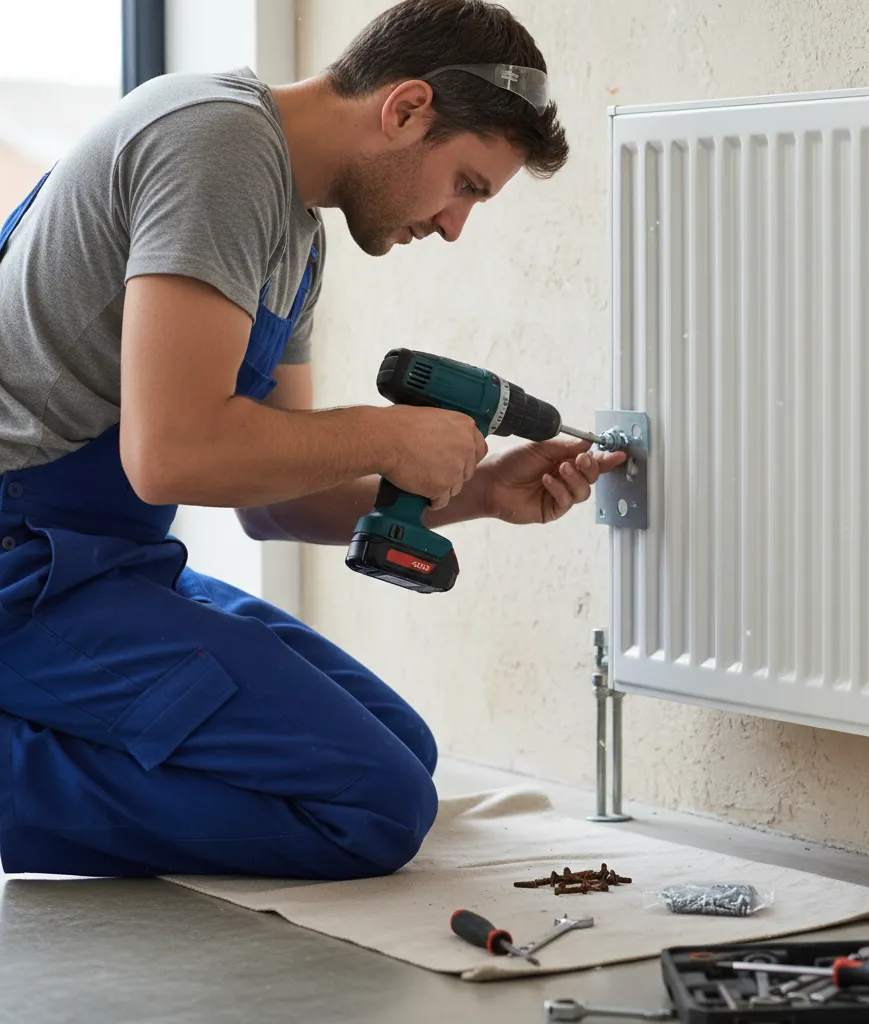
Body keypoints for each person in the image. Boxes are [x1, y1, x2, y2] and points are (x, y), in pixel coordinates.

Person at [0, 0, 624, 880]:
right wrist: (385, 434)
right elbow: (170, 454)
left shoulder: (296, 231)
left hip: (99, 559)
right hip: (23, 564)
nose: (454, 225)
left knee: (403, 749)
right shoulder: (216, 146)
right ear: (406, 109)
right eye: (467, 185)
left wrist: (482, 492)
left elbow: (276, 506)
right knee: (373, 806)